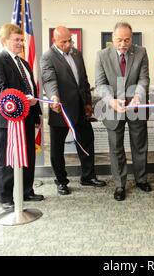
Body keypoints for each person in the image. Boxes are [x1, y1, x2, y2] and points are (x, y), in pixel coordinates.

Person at [40, 26, 106, 196]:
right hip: (60, 109)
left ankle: (88, 177)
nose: (69, 44)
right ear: (55, 41)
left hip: (80, 109)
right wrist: (53, 96)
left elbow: (83, 80)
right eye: (64, 42)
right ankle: (61, 181)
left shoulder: (76, 54)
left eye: (70, 40)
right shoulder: (48, 57)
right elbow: (49, 80)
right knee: (57, 148)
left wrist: (88, 103)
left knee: (87, 141)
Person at [0, 23, 44, 211]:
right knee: (6, 159)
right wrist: (24, 101)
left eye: (22, 40)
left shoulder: (24, 63)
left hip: (27, 118)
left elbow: (31, 89)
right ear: (5, 41)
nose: (21, 43)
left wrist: (36, 113)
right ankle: (5, 197)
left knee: (28, 156)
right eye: (16, 40)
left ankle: (26, 190)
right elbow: (0, 91)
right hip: (7, 122)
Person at [94, 21, 151, 201]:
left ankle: (141, 179)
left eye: (127, 40)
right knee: (116, 147)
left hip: (136, 106)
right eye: (119, 40)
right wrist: (111, 101)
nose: (123, 44)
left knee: (139, 144)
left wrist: (138, 97)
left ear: (131, 38)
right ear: (113, 38)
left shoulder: (141, 52)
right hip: (113, 107)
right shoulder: (102, 55)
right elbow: (100, 84)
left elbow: (144, 79)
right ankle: (120, 184)